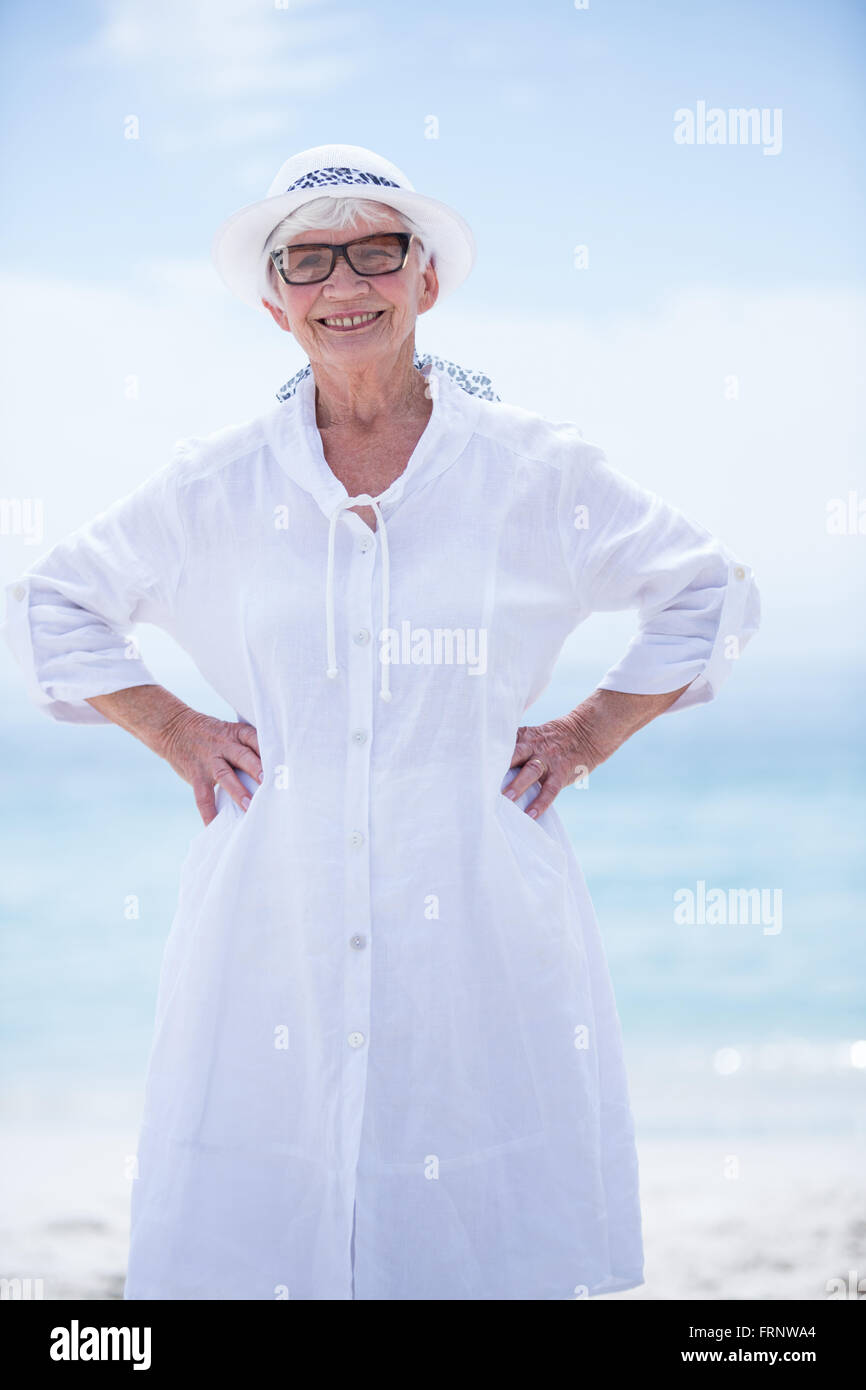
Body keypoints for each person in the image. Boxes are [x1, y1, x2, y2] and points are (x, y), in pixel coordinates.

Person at [1, 143, 761, 1300]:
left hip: (478, 917)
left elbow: (705, 588)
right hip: (271, 923)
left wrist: (589, 731)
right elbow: (58, 599)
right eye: (309, 260)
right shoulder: (213, 485)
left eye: (375, 251)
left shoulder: (527, 471)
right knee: (259, 1228)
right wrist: (172, 728)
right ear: (275, 304)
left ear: (425, 282)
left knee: (475, 1234)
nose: (342, 283)